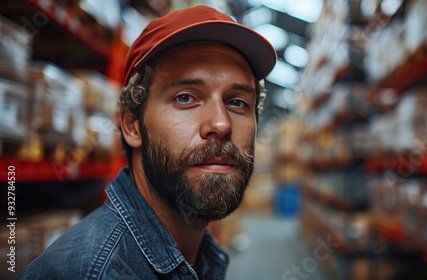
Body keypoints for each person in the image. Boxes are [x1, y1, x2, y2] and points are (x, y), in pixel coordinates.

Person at [20, 5, 276, 280]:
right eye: (185, 97)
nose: (221, 124)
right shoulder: (89, 273)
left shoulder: (198, 255)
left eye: (237, 102)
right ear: (132, 125)